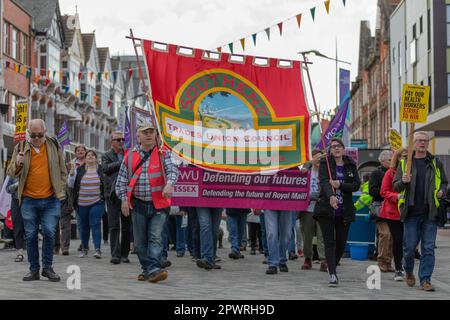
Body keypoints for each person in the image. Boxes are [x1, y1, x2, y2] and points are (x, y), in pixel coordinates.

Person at [115, 120, 179, 283]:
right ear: (138, 135)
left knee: (155, 238)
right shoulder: (130, 155)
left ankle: (154, 269)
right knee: (140, 242)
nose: (149, 134)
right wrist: (123, 199)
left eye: (152, 131)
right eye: (145, 132)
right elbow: (121, 180)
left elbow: (172, 171)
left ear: (156, 134)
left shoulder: (163, 152)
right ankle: (148, 270)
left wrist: (170, 184)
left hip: (158, 204)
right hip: (138, 205)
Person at [7, 119, 67, 282]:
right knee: (31, 235)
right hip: (29, 200)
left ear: (45, 132)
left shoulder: (54, 145)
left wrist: (60, 190)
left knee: (49, 232)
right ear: (28, 133)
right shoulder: (21, 147)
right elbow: (11, 172)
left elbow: (63, 170)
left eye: (40, 135)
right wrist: (18, 164)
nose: (37, 138)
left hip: (50, 199)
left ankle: (47, 268)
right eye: (33, 135)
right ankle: (34, 270)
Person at [393, 131, 448, 292]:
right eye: (419, 141)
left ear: (428, 143)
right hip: (410, 213)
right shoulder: (405, 163)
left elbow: (444, 183)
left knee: (428, 248)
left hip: (430, 213)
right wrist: (403, 181)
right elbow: (395, 186)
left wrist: (442, 192)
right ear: (414, 143)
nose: (422, 143)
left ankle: (425, 280)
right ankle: (408, 270)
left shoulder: (435, 162)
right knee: (409, 248)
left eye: (425, 141)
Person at [314, 138, 360, 287]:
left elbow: (355, 185)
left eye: (339, 146)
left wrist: (341, 185)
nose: (336, 149)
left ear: (343, 148)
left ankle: (332, 262)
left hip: (344, 210)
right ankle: (333, 274)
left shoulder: (350, 164)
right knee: (329, 242)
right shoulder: (324, 163)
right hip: (326, 209)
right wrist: (332, 195)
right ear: (330, 150)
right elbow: (324, 182)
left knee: (341, 242)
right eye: (333, 147)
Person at [69, 150, 105, 259]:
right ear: (85, 159)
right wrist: (71, 174)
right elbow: (71, 185)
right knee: (84, 227)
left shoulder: (101, 170)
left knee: (95, 224)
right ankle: (84, 249)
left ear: (96, 158)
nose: (90, 157)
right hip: (81, 203)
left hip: (97, 202)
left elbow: (105, 184)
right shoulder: (79, 170)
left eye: (92, 155)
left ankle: (97, 249)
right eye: (88, 155)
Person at [102, 131, 131, 264]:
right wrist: (122, 163)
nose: (120, 142)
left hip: (127, 193)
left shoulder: (128, 154)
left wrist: (125, 161)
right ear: (111, 141)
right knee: (113, 225)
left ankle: (124, 254)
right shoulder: (106, 155)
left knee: (126, 226)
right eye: (117, 140)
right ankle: (115, 254)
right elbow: (105, 168)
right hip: (112, 194)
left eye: (122, 139)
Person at [380, 148, 407, 281]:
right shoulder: (390, 173)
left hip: (410, 212)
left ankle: (405, 266)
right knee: (398, 240)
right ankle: (398, 269)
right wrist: (398, 196)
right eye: (403, 156)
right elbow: (383, 192)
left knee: (409, 241)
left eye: (408, 156)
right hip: (393, 213)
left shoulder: (412, 172)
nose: (405, 158)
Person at [299, 150, 327, 272]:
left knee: (323, 235)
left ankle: (324, 259)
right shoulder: (306, 171)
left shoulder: (326, 172)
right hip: (307, 209)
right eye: (315, 157)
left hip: (322, 208)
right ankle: (307, 258)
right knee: (307, 235)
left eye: (320, 158)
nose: (318, 160)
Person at [369, 150, 394, 273]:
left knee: (392, 236)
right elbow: (372, 190)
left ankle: (389, 261)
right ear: (382, 161)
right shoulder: (376, 173)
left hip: (393, 208)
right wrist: (387, 193)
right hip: (380, 207)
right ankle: (381, 260)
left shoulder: (395, 173)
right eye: (390, 160)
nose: (392, 162)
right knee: (385, 234)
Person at [5, 177, 25, 262]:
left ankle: (34, 253)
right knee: (17, 227)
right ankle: (20, 252)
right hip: (16, 201)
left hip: (30, 200)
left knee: (31, 228)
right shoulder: (13, 174)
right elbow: (8, 189)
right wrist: (17, 184)